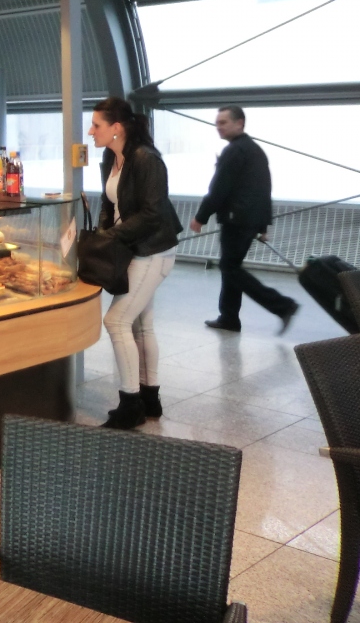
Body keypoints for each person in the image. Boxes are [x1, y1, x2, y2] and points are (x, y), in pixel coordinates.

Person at [88, 97, 182, 430]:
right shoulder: (110, 157)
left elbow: (153, 213)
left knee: (116, 321)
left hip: (152, 251)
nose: (91, 131)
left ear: (116, 127)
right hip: (133, 248)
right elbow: (108, 202)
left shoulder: (146, 159)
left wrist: (111, 238)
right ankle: (149, 399)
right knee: (141, 325)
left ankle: (130, 405)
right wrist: (103, 233)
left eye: (96, 125)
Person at [189, 105, 298, 334]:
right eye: (217, 123)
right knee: (231, 267)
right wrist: (262, 224)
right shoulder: (254, 150)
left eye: (223, 122)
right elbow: (263, 189)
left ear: (239, 123)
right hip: (248, 219)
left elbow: (219, 188)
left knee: (230, 267)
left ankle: (282, 305)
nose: (218, 127)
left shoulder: (235, 151)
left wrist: (201, 217)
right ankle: (229, 318)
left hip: (236, 219)